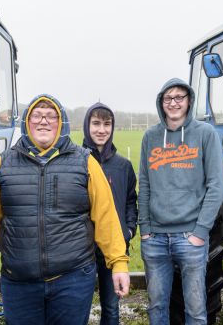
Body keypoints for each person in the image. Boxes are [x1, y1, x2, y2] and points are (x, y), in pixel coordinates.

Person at [0, 94, 130, 325]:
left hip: (73, 280)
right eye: (36, 115)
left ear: (61, 124)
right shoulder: (5, 163)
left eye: (51, 116)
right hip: (19, 282)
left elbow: (106, 217)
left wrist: (118, 262)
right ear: (27, 123)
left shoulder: (85, 162)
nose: (43, 121)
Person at [138, 79, 223, 325]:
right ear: (161, 102)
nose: (173, 103)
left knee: (196, 310)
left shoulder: (205, 134)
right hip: (155, 239)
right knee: (156, 306)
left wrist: (200, 232)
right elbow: (144, 184)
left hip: (190, 237)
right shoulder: (151, 137)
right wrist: (145, 230)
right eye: (168, 98)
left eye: (179, 97)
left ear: (189, 101)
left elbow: (216, 187)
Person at [82, 103, 138, 325]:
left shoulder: (123, 165)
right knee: (79, 307)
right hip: (82, 248)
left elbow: (131, 200)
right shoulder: (75, 161)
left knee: (111, 307)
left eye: (107, 124)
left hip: (113, 249)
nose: (101, 130)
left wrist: (129, 229)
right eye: (96, 123)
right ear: (87, 126)